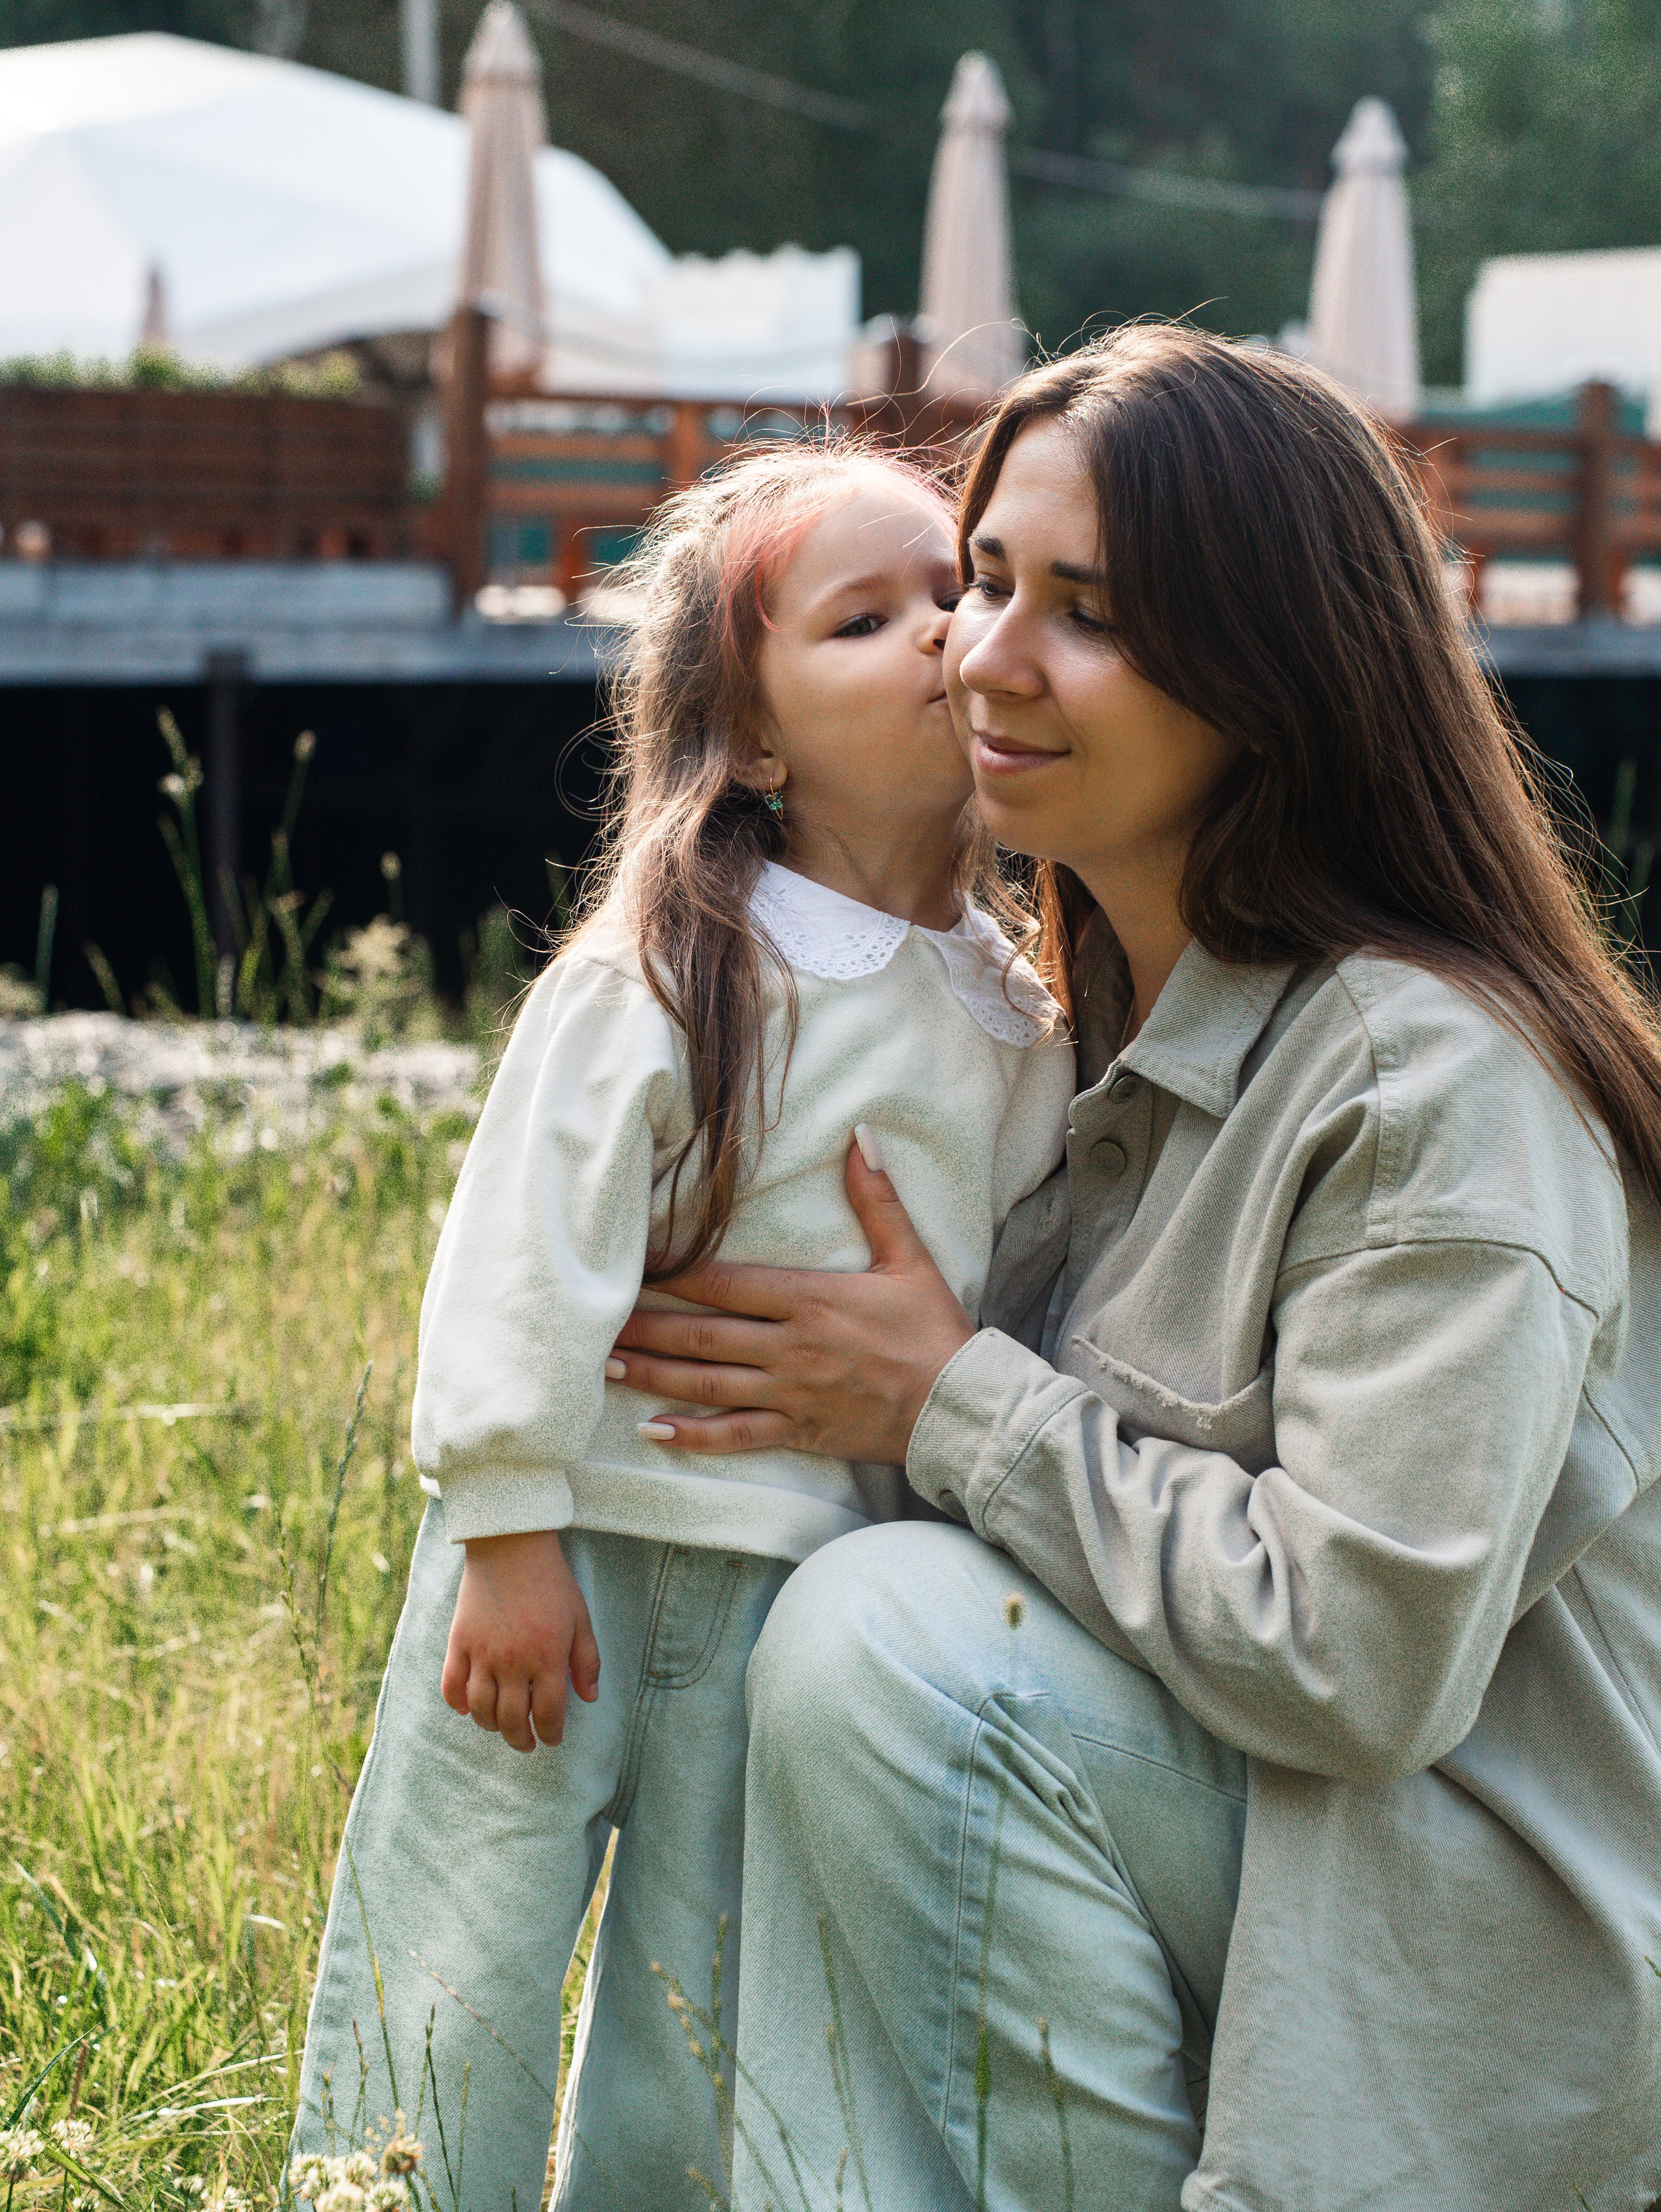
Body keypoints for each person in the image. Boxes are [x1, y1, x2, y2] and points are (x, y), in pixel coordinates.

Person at [606, 327, 1661, 2211]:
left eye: (1087, 613)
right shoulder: (1065, 1037)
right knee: (818, 1624)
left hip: (1456, 1980)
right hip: (1249, 1860)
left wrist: (950, 1402)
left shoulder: (1433, 1087)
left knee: (894, 1644)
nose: (982, 655)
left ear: (1275, 674)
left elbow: (1363, 1658)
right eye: (986, 578)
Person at [289, 439, 1076, 2211]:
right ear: (759, 741)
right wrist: (504, 1520)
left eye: (956, 590)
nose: (941, 632)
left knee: (713, 1984)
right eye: (866, 619)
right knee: (459, 1929)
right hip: (564, 1550)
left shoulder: (1016, 1014)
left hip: (802, 1593)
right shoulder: (678, 960)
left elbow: (1015, 1280)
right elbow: (525, 1245)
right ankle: (390, 2188)